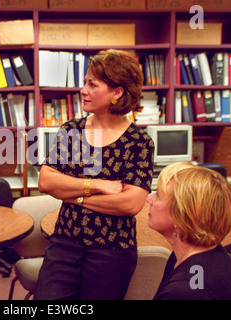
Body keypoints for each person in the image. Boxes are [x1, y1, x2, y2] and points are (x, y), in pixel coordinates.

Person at [34, 49, 154, 300]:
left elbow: (130, 203)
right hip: (64, 244)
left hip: (112, 252)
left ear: (117, 92)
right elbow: (46, 181)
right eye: (85, 82)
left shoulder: (138, 142)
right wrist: (96, 184)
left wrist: (72, 195)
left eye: (92, 84)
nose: (83, 90)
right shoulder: (72, 130)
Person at [147, 162, 231, 300]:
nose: (149, 199)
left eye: (158, 195)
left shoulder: (184, 291)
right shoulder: (185, 256)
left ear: (180, 216)